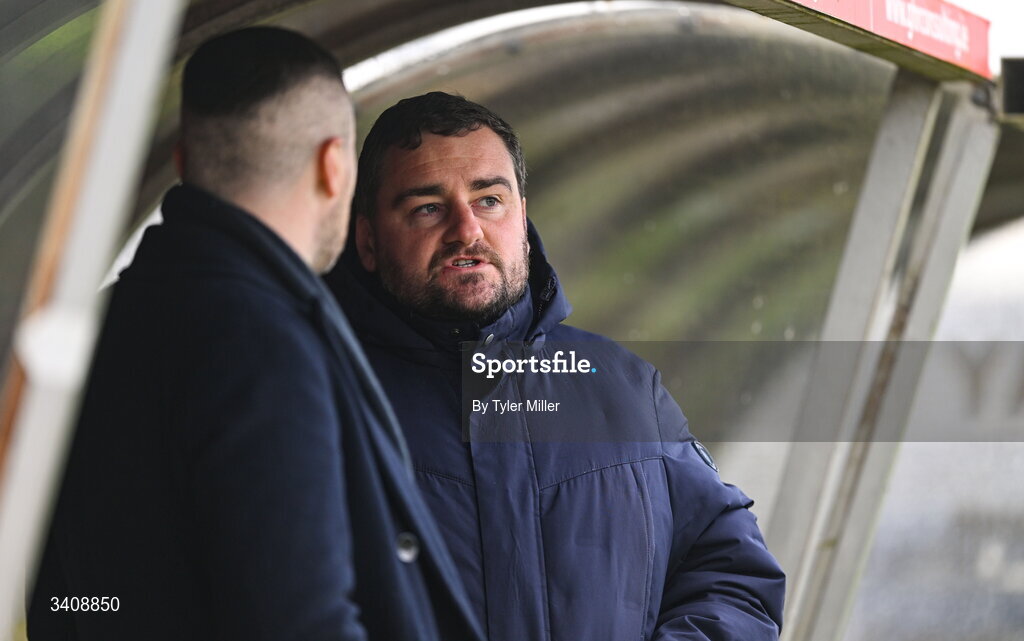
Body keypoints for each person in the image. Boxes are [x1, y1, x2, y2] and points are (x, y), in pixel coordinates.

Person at [28, 31, 482, 641]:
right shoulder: (262, 341)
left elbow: (69, 593)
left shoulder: (96, 326)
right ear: (333, 164)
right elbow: (299, 620)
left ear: (184, 164)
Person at [324, 91, 786, 640]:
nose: (466, 231)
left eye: (489, 199)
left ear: (522, 214)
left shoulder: (623, 387)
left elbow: (731, 570)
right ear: (368, 241)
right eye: (427, 207)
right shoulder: (319, 394)